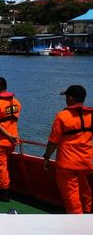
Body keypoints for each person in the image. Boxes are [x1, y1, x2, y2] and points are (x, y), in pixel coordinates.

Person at [42, 85, 93, 214]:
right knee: (85, 190)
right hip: (85, 161)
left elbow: (53, 141)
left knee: (71, 195)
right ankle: (88, 213)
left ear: (70, 98)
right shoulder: (91, 115)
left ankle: (77, 223)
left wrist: (47, 157)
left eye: (66, 97)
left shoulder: (62, 116)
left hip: (68, 163)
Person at [0, 77, 21, 202]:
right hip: (13, 140)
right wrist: (11, 137)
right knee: (4, 166)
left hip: (0, 141)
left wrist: (6, 136)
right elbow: (8, 121)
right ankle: (3, 189)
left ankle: (3, 193)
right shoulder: (16, 101)